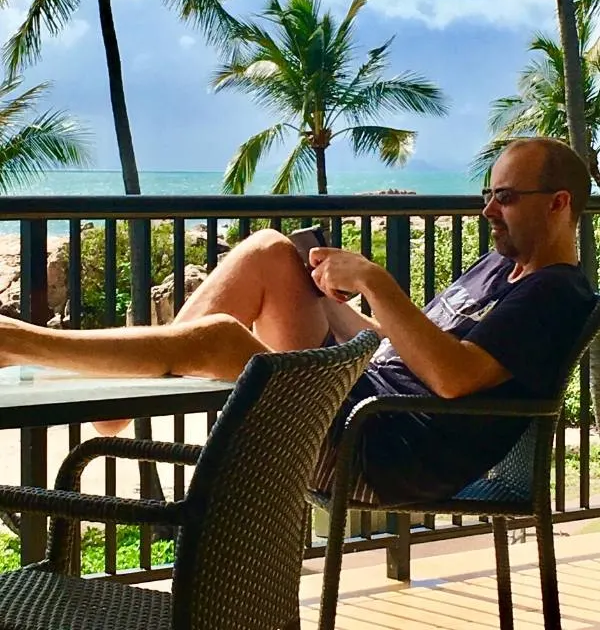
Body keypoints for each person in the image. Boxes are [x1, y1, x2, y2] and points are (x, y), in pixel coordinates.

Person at [0, 137, 595, 505]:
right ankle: (120, 401)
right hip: (359, 397)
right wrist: (336, 302)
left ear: (559, 203)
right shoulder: (498, 267)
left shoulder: (555, 294)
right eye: (486, 195)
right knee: (268, 251)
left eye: (506, 198)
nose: (488, 210)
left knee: (226, 343)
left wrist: (374, 280)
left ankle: (18, 341)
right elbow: (407, 346)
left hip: (381, 448)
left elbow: (452, 377)